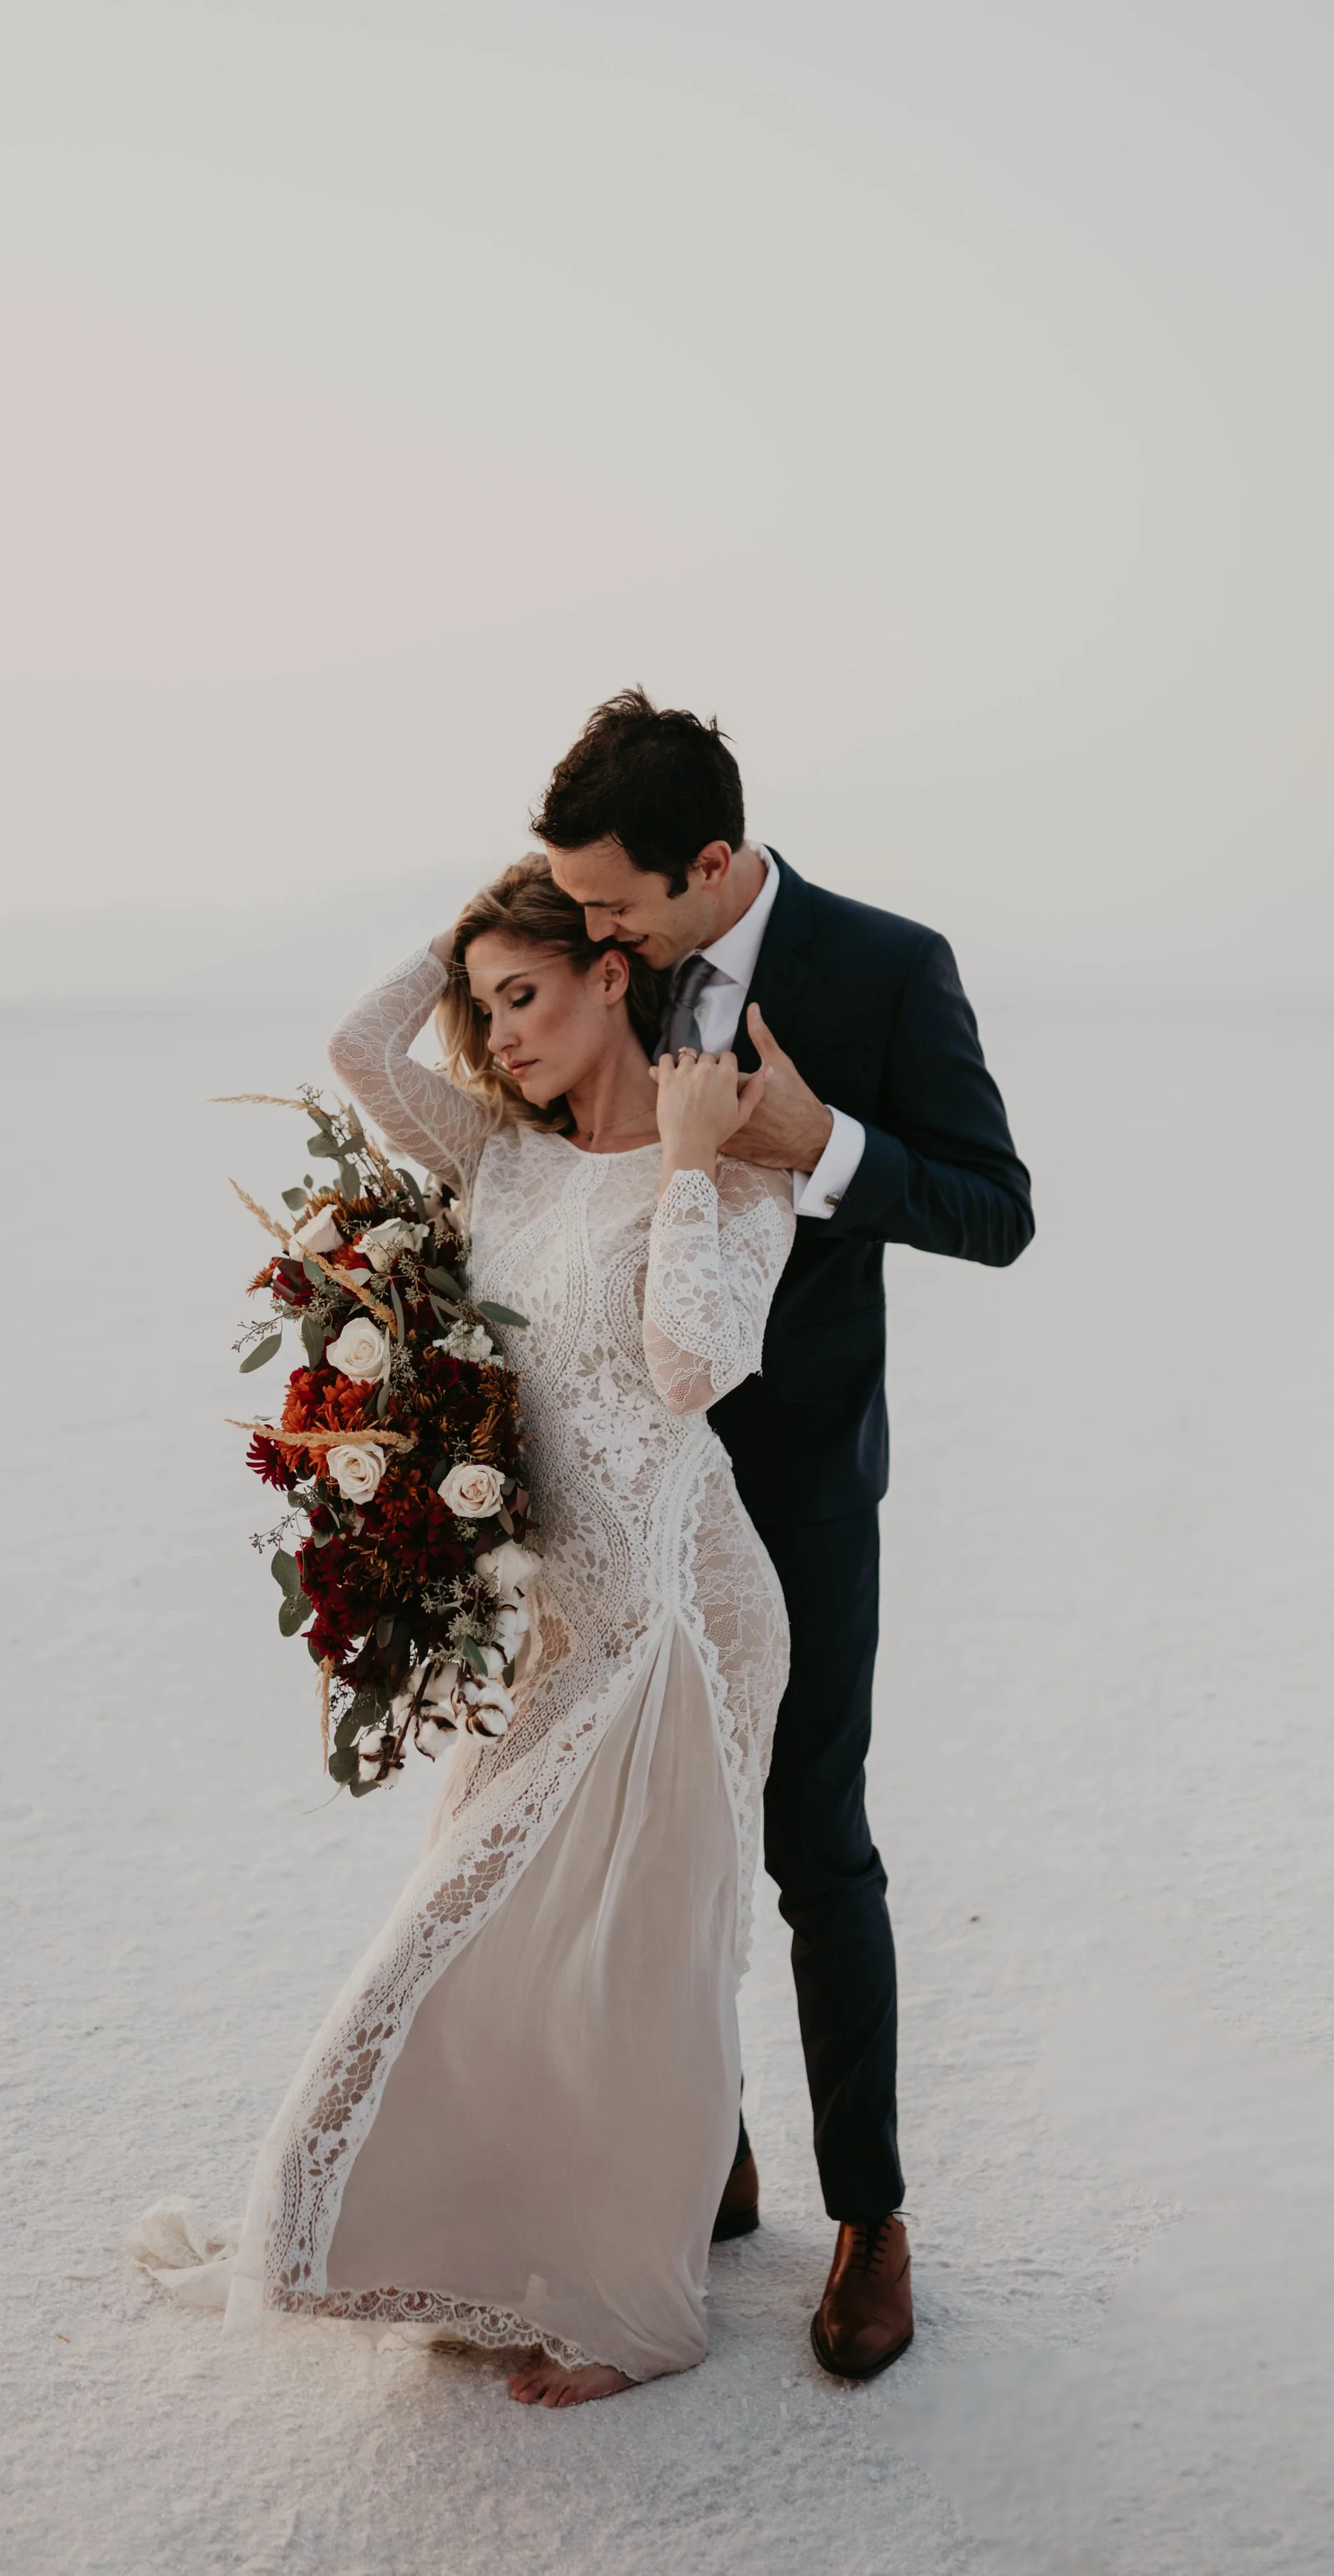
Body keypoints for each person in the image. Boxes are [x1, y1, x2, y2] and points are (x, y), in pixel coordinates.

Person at [136, 859, 796, 2405]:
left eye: (526, 994)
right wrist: (475, 924)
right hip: (571, 1621)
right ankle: (492, 2241)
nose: (494, 1032)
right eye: (480, 1004)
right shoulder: (496, 1154)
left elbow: (689, 1367)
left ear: (612, 979)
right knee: (485, 1941)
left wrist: (693, 1156)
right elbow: (362, 1057)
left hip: (684, 1621)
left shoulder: (740, 1177)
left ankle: (629, 2307)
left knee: (625, 1956)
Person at [538, 688, 1034, 2381]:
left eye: (615, 903)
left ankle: (871, 2218)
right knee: (650, 1832)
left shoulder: (889, 966)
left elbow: (995, 1210)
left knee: (813, 1840)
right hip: (625, 1488)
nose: (587, 931)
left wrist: (816, 1144)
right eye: (573, 903)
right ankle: (711, 2146)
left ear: (716, 861)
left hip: (800, 1481)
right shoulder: (590, 945)